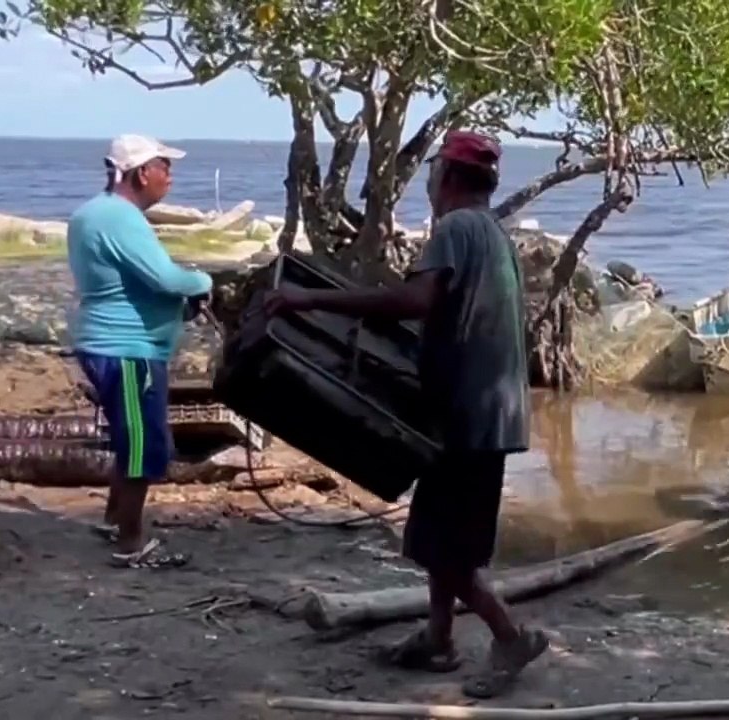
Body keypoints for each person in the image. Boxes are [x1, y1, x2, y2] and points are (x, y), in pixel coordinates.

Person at [263, 130, 548, 699]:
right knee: (438, 536)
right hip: (487, 409)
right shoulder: (493, 233)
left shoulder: (456, 228)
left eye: (435, 169)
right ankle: (438, 640)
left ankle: (512, 635)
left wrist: (309, 299)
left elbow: (414, 302)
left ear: (447, 177)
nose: (430, 179)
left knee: (448, 548)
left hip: (470, 414)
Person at [67, 134, 213, 569]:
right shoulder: (120, 218)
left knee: (130, 435)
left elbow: (131, 280)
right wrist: (202, 281)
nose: (170, 176)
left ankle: (116, 519)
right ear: (141, 172)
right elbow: (167, 279)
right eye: (164, 166)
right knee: (142, 445)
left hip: (111, 344)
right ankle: (132, 544)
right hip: (126, 349)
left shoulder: (93, 213)